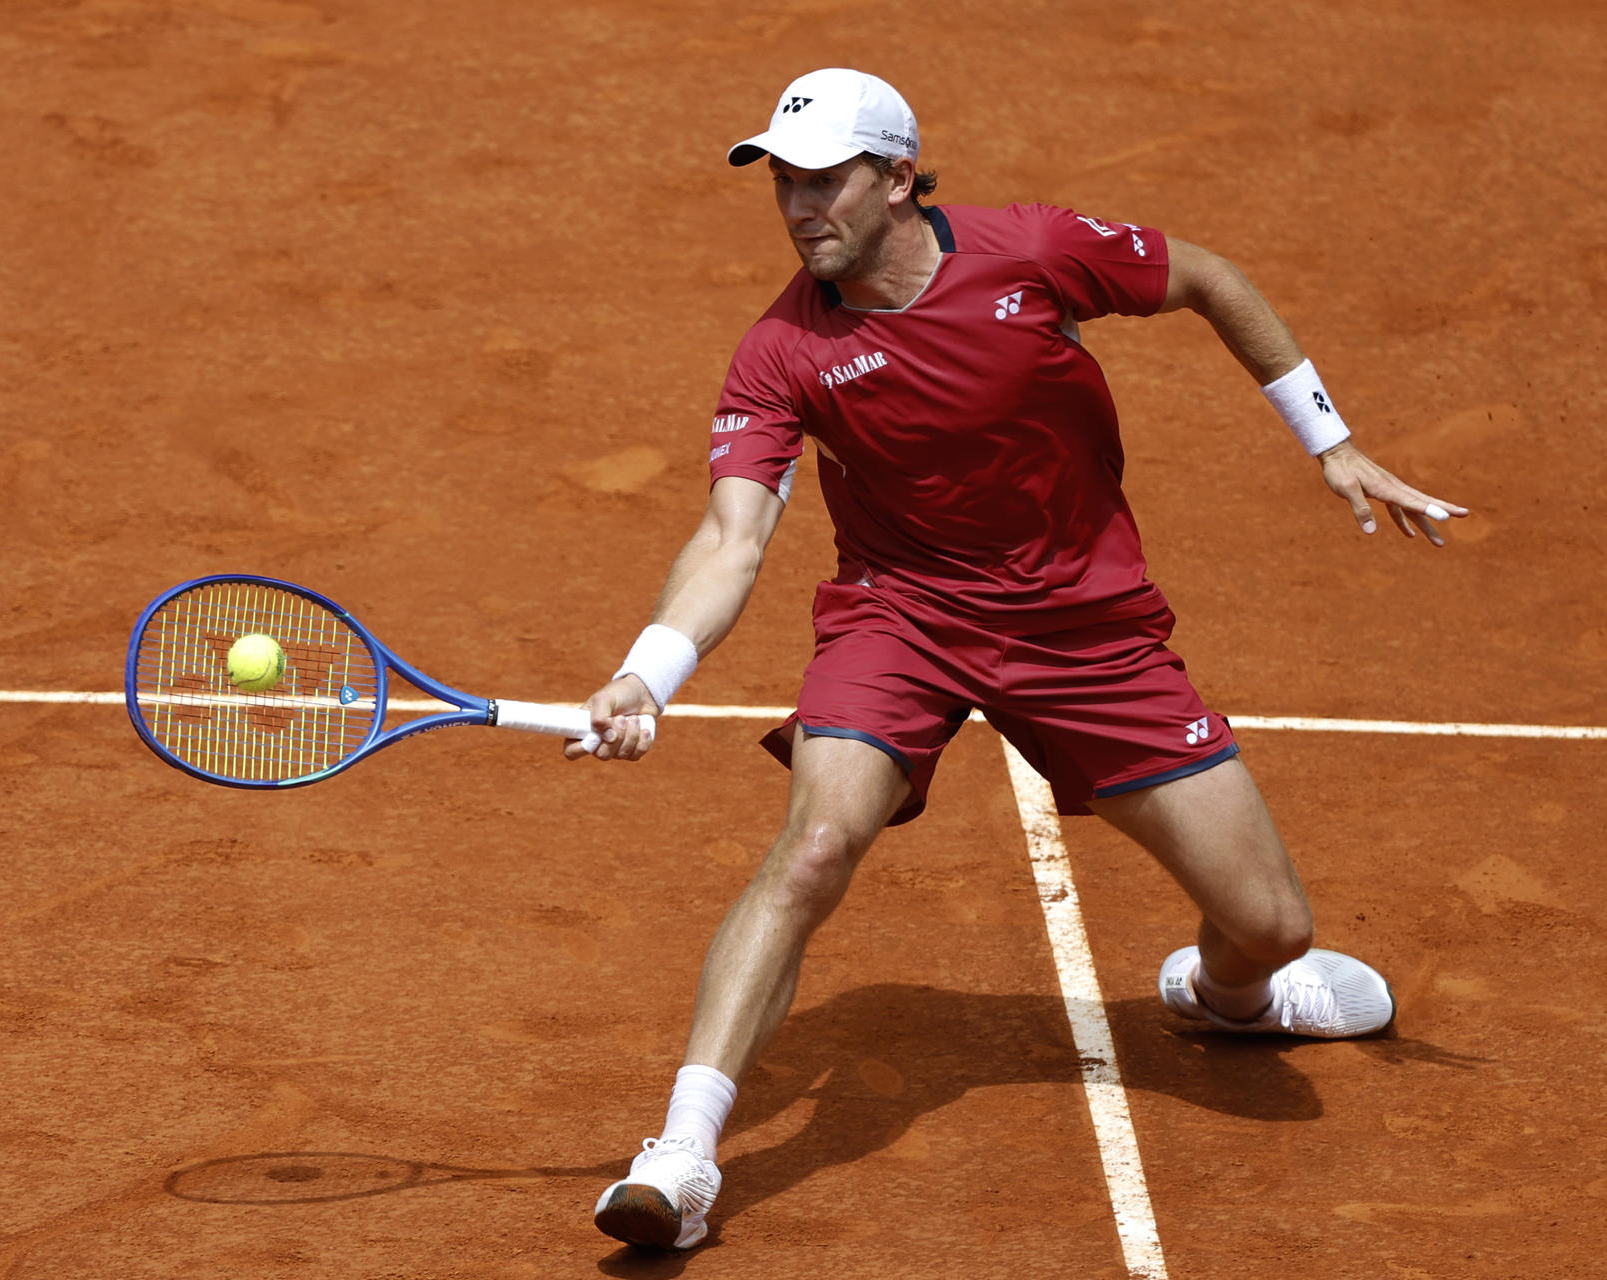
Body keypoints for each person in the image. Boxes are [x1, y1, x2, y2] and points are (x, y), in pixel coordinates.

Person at [567, 67, 1468, 1252]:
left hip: (1085, 629)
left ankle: (1235, 997)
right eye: (784, 183)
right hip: (905, 621)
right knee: (815, 841)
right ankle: (682, 1153)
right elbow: (733, 538)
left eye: (824, 179)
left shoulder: (1035, 254)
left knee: (1273, 924)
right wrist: (651, 670)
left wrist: (1332, 442)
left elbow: (1206, 277)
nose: (798, 207)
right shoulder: (781, 350)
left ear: (896, 178)